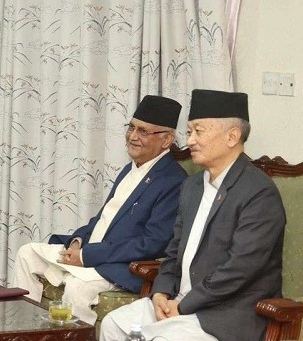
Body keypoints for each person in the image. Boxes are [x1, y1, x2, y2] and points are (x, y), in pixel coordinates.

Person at [97, 90, 285, 341]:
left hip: (223, 313)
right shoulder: (192, 186)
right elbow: (174, 250)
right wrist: (161, 292)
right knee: (113, 326)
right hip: (178, 301)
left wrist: (183, 305)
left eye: (198, 131)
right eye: (189, 131)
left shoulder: (258, 193)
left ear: (232, 137)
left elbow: (240, 270)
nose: (190, 141)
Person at [13, 95, 187, 325]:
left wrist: (87, 256)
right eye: (131, 127)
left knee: (77, 287)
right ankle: (25, 335)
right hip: (91, 254)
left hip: (120, 267)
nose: (133, 137)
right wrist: (77, 242)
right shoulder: (130, 170)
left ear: (167, 140)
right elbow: (104, 218)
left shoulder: (173, 180)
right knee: (27, 254)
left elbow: (152, 243)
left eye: (144, 131)